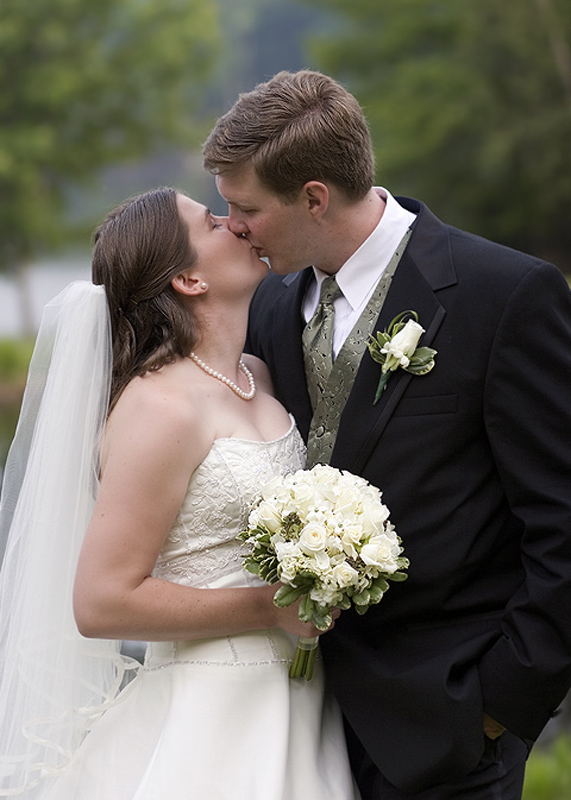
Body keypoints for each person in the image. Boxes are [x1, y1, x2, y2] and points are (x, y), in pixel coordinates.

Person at [202, 69, 571, 799]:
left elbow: (560, 521)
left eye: (245, 208)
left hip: (451, 724)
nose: (232, 229)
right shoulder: (272, 303)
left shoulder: (504, 295)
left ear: (313, 196)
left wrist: (499, 706)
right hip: (294, 726)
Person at [0, 187, 359, 799]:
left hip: (298, 699)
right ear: (189, 279)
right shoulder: (158, 406)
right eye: (212, 221)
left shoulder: (257, 376)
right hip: (209, 711)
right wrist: (267, 607)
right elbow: (101, 602)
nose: (236, 224)